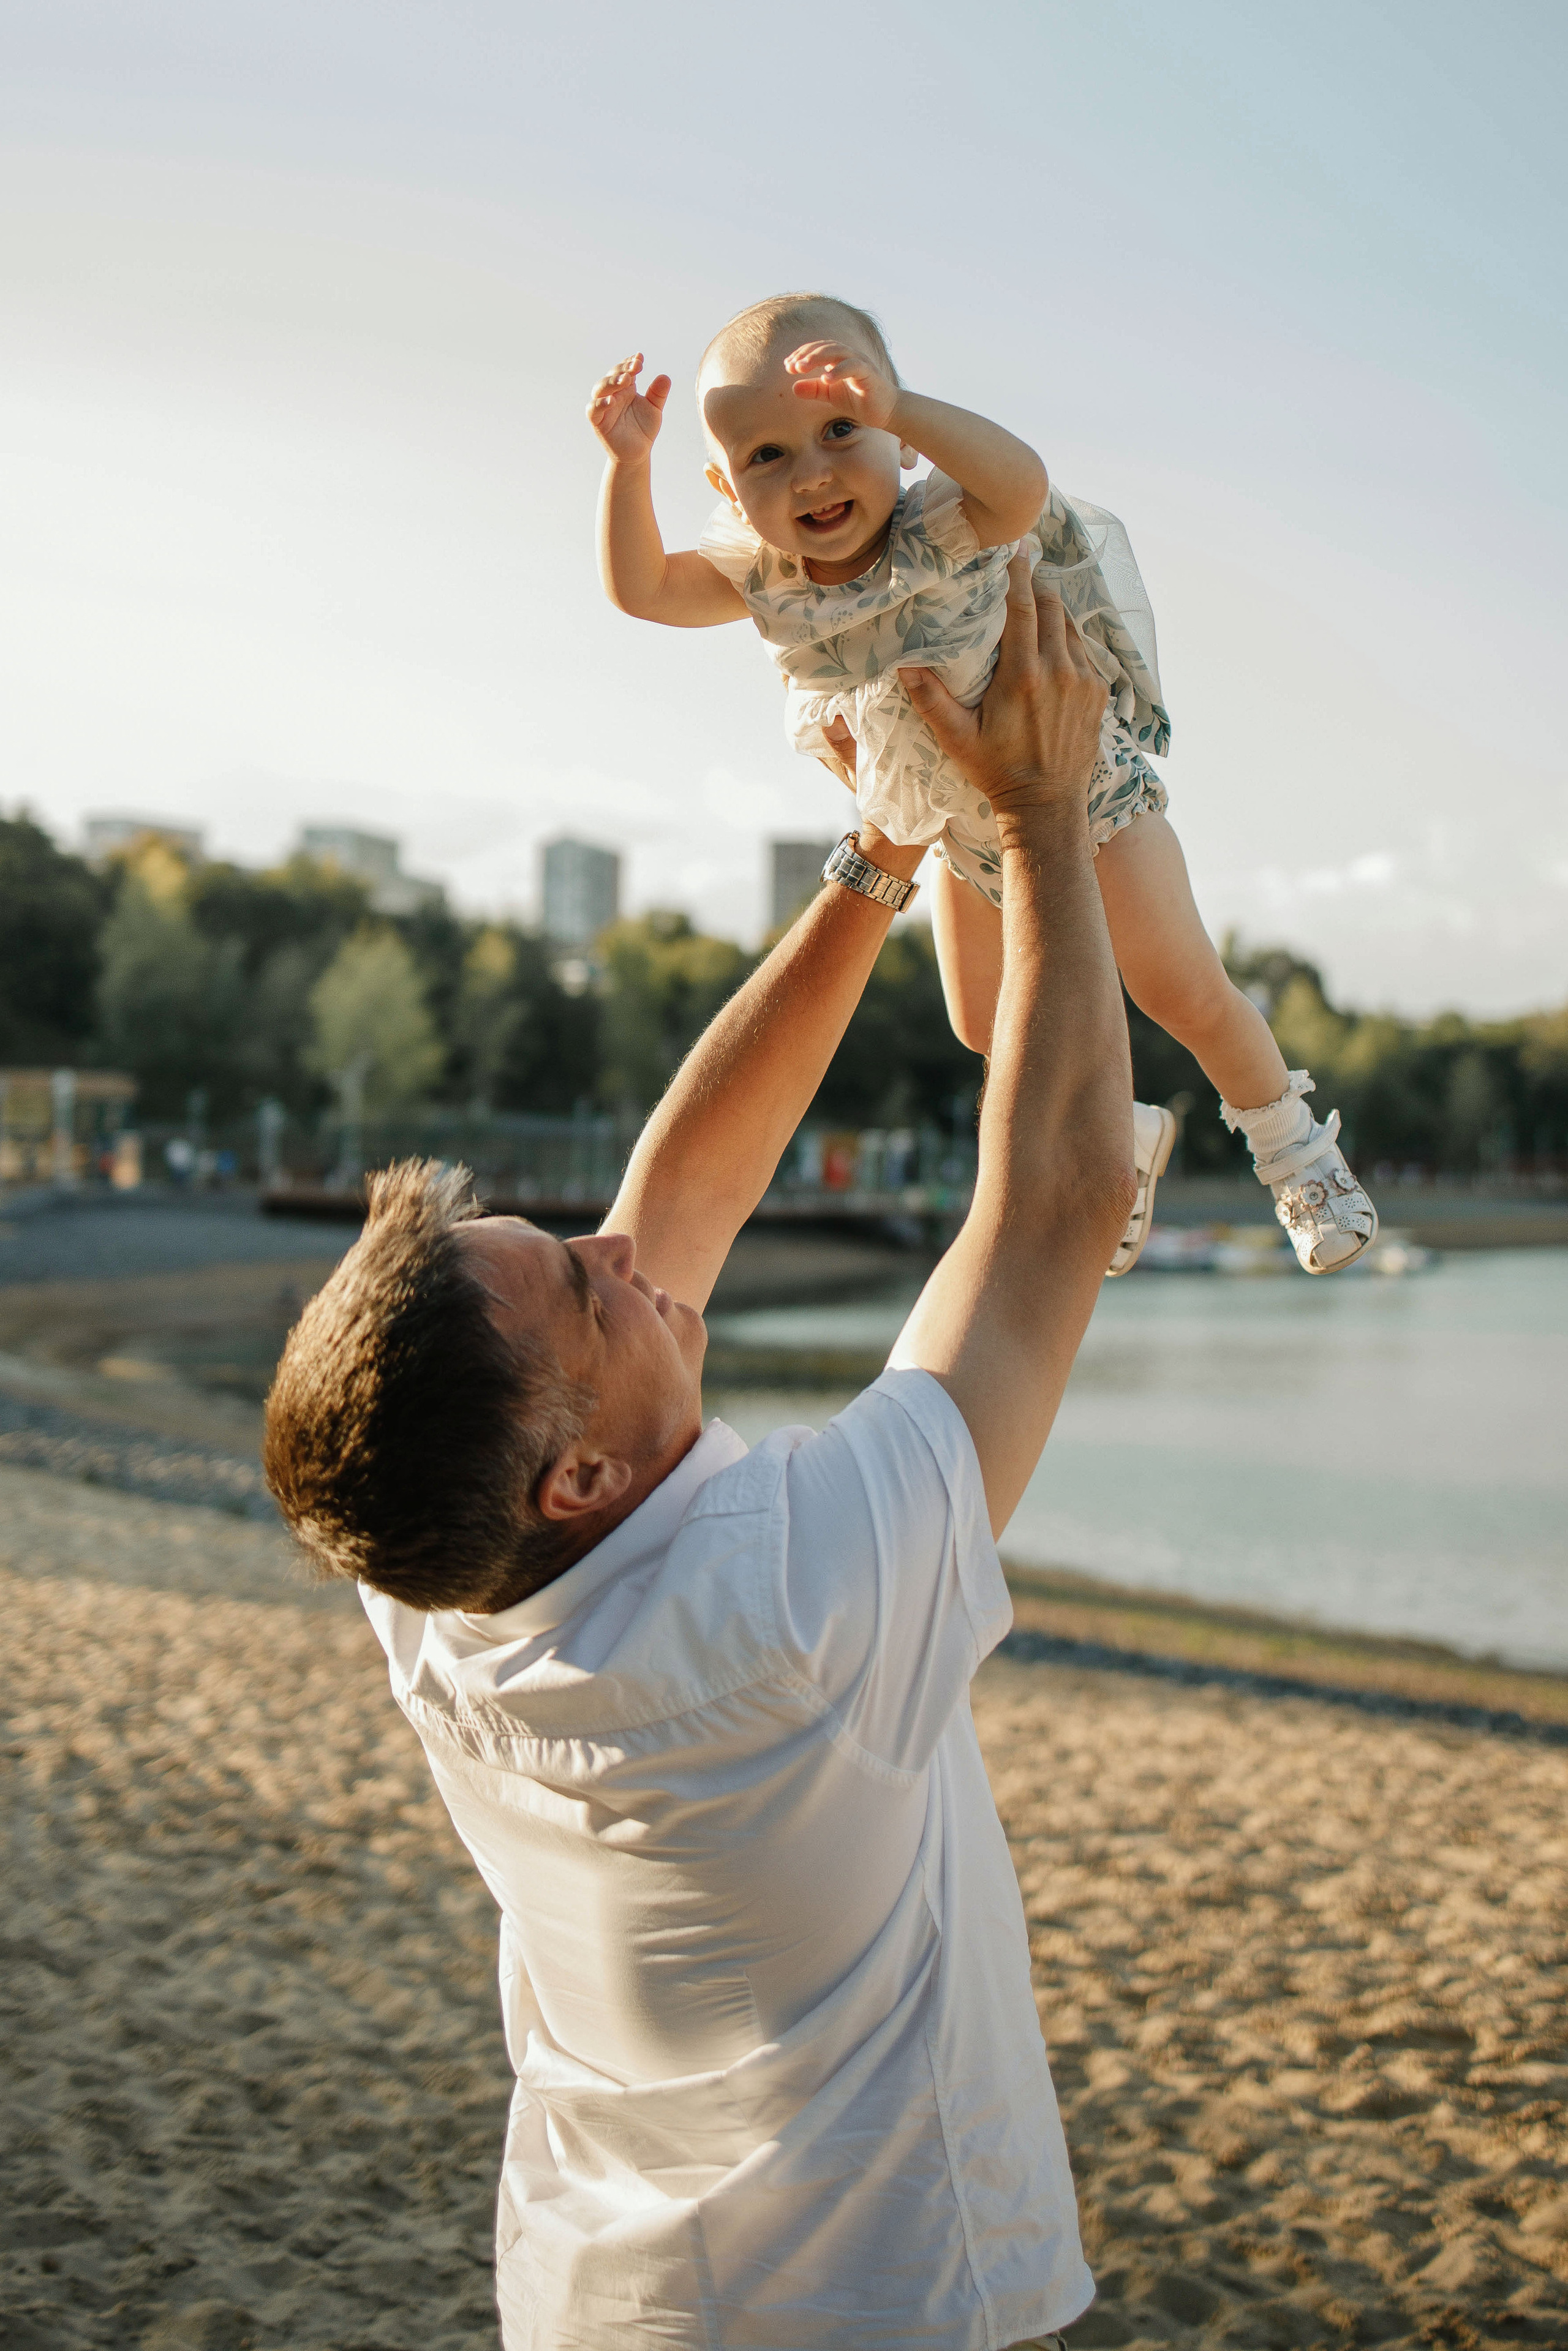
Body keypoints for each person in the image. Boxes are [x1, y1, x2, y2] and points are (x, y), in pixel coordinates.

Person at [264, 563, 1132, 2349]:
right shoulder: (791, 1600)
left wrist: (882, 857)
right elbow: (1053, 1208)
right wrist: (1046, 821)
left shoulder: (426, 1563)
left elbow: (678, 1204)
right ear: (576, 1476)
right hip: (892, 2304)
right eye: (583, 1290)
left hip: (615, 2299)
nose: (613, 1249)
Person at [589, 289, 1378, 1275]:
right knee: (981, 1021)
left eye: (843, 429)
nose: (814, 474)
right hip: (964, 833)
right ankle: (1118, 1134)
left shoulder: (942, 525)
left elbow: (1025, 485)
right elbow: (643, 590)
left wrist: (905, 404)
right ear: (725, 482)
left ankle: (1294, 1149)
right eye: (768, 456)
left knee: (1179, 985)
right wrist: (627, 466)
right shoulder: (769, 580)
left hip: (1084, 795)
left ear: (899, 440)